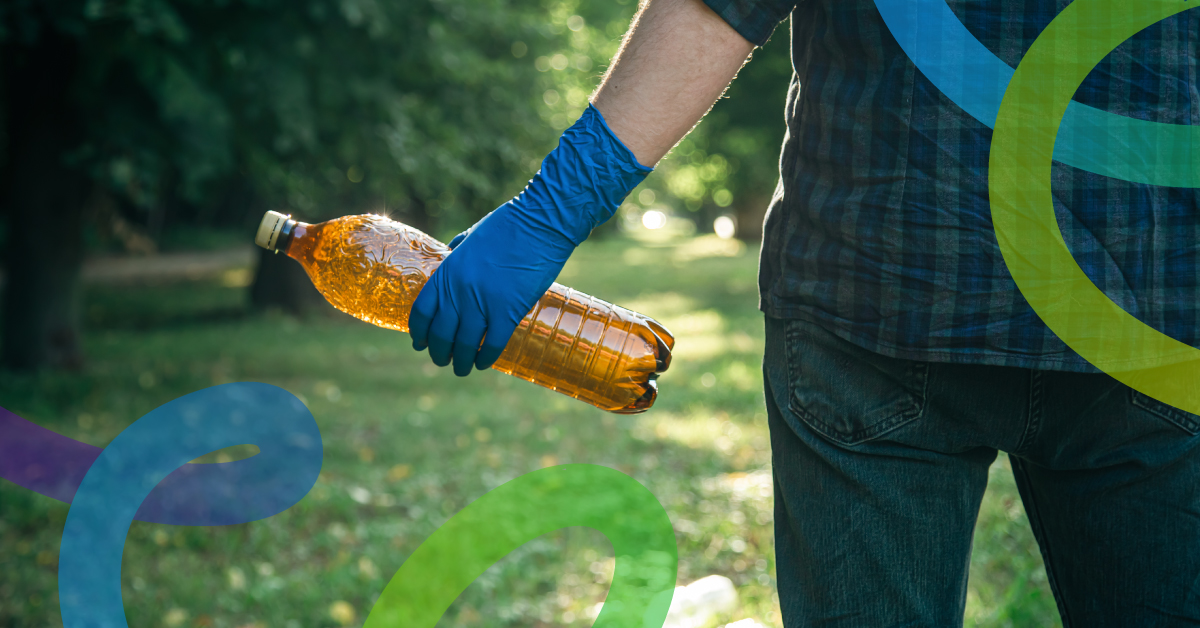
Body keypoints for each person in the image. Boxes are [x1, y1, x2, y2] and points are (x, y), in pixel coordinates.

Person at [409, 0, 1200, 625]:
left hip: (886, 289)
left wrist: (550, 213)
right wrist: (546, 214)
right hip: (1141, 292)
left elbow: (716, 6)